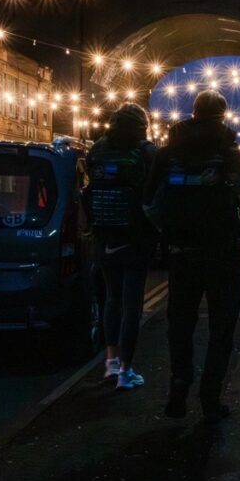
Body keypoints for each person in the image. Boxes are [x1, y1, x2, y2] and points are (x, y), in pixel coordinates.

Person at [144, 90, 240, 421]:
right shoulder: (232, 155)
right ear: (223, 116)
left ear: (193, 113)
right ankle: (210, 398)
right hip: (223, 255)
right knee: (222, 329)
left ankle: (180, 381)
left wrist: (168, 232)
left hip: (182, 256)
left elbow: (149, 204)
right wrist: (236, 231)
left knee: (180, 325)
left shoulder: (167, 156)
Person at [84, 103, 157, 390]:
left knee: (111, 301)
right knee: (132, 305)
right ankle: (126, 371)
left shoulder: (97, 150)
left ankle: (111, 365)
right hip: (135, 235)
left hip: (103, 233)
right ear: (142, 125)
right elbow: (154, 191)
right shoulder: (146, 151)